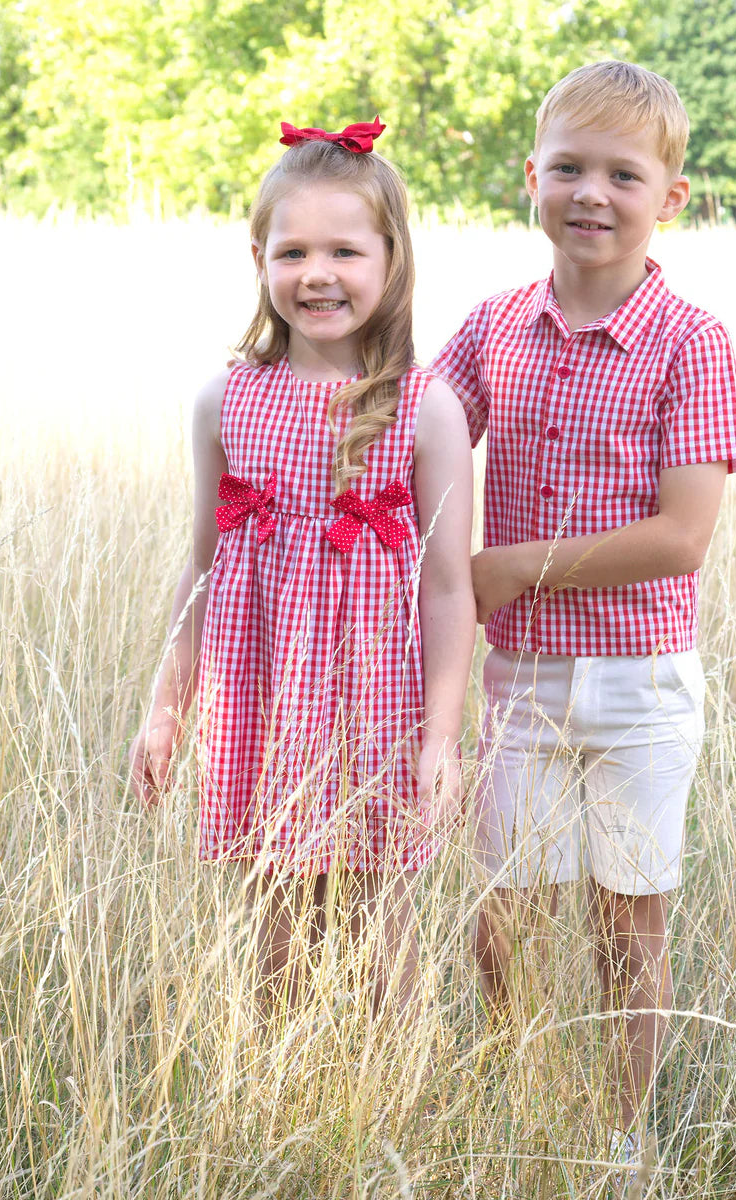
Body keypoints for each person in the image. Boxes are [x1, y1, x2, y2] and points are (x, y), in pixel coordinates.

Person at [431, 62, 736, 1169]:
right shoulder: (493, 329)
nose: (591, 193)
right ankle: (520, 1101)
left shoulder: (690, 341)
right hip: (520, 681)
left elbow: (682, 536)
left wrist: (521, 564)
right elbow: (417, 436)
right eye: (567, 167)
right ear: (531, 177)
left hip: (641, 684)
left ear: (671, 196)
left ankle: (623, 1134)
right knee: (501, 917)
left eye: (623, 173)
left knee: (628, 924)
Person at [129, 118, 476, 1018]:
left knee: (378, 919)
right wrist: (166, 711)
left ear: (391, 259)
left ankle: (391, 1097)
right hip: (263, 693)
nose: (317, 274)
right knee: (273, 918)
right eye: (293, 251)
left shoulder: (424, 407)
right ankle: (277, 1097)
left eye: (345, 251)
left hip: (374, 699)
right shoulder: (226, 397)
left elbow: (447, 587)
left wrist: (441, 739)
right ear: (258, 256)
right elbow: (202, 571)